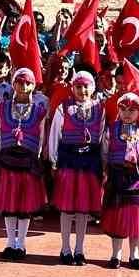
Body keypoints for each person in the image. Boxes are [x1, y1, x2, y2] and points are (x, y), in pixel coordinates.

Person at [48, 70, 105, 265]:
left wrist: (104, 164)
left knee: (83, 209)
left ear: (93, 87)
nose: (82, 90)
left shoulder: (100, 108)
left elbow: (104, 138)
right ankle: (65, 248)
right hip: (69, 161)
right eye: (78, 86)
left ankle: (80, 249)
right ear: (72, 88)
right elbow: (55, 134)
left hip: (90, 164)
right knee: (67, 208)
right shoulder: (64, 108)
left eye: (86, 86)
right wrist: (54, 160)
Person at [0, 66, 48, 259]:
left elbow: (41, 136)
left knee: (24, 204)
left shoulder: (40, 110)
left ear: (33, 85)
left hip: (28, 160)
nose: (23, 86)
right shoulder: (2, 106)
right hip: (7, 159)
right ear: (13, 83)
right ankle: (9, 242)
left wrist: (37, 157)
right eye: (20, 82)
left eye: (27, 82)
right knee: (9, 203)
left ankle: (21, 243)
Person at [101, 93, 139, 268]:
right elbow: (104, 152)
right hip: (117, 176)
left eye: (132, 110)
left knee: (137, 216)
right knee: (117, 215)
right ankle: (116, 254)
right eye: (123, 109)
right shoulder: (111, 129)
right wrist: (105, 172)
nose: (127, 113)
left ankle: (135, 255)